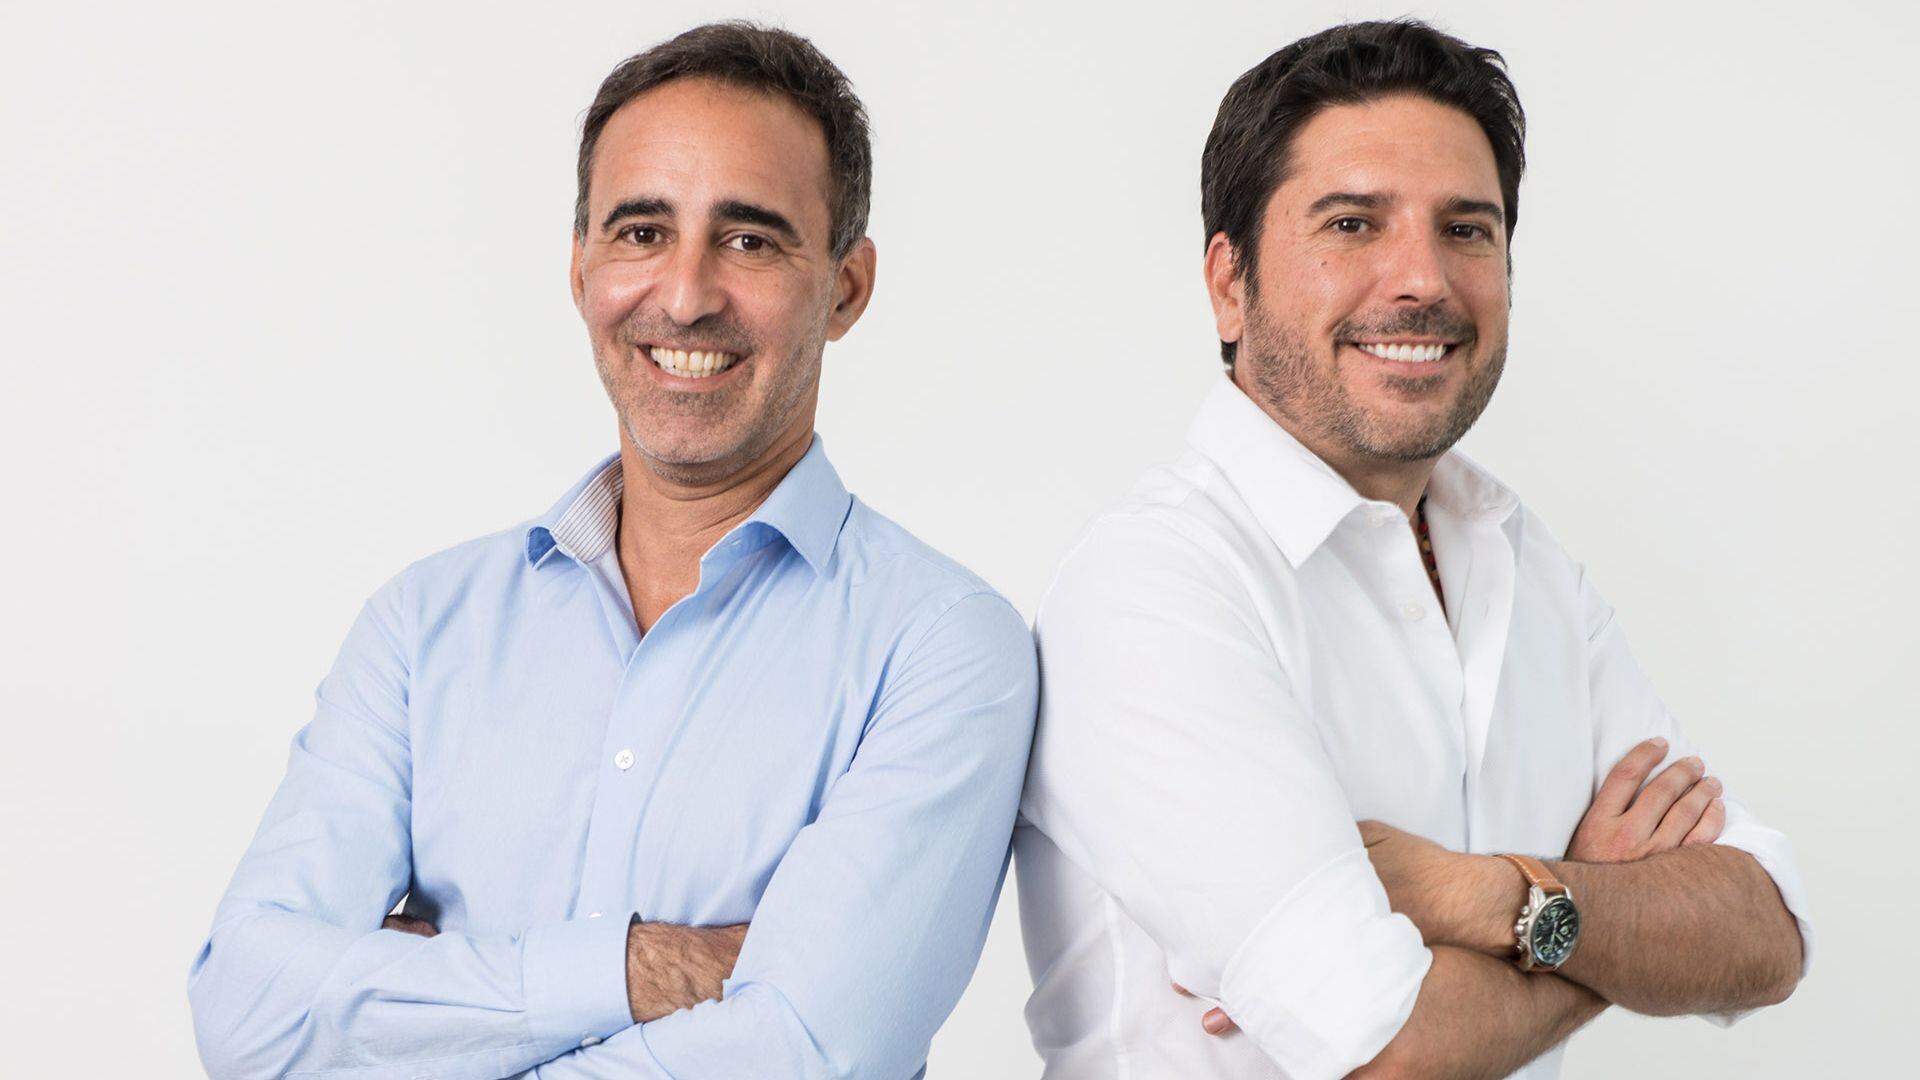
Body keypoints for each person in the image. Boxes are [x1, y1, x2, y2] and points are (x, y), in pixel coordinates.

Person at [188, 22, 1037, 1080]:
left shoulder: (944, 648)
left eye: (750, 240)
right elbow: (247, 1013)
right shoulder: (422, 629)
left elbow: (806, 1050)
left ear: (845, 289)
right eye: (642, 231)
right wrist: (641, 968)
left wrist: (414, 1012)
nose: (684, 295)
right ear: (580, 263)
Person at [1015, 20, 1809, 1080]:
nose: (1422, 280)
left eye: (1466, 229)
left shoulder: (1528, 568)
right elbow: (1390, 1052)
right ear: (1229, 282)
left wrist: (1482, 894)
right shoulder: (1154, 591)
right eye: (1352, 223)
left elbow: (1766, 933)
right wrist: (1603, 918)